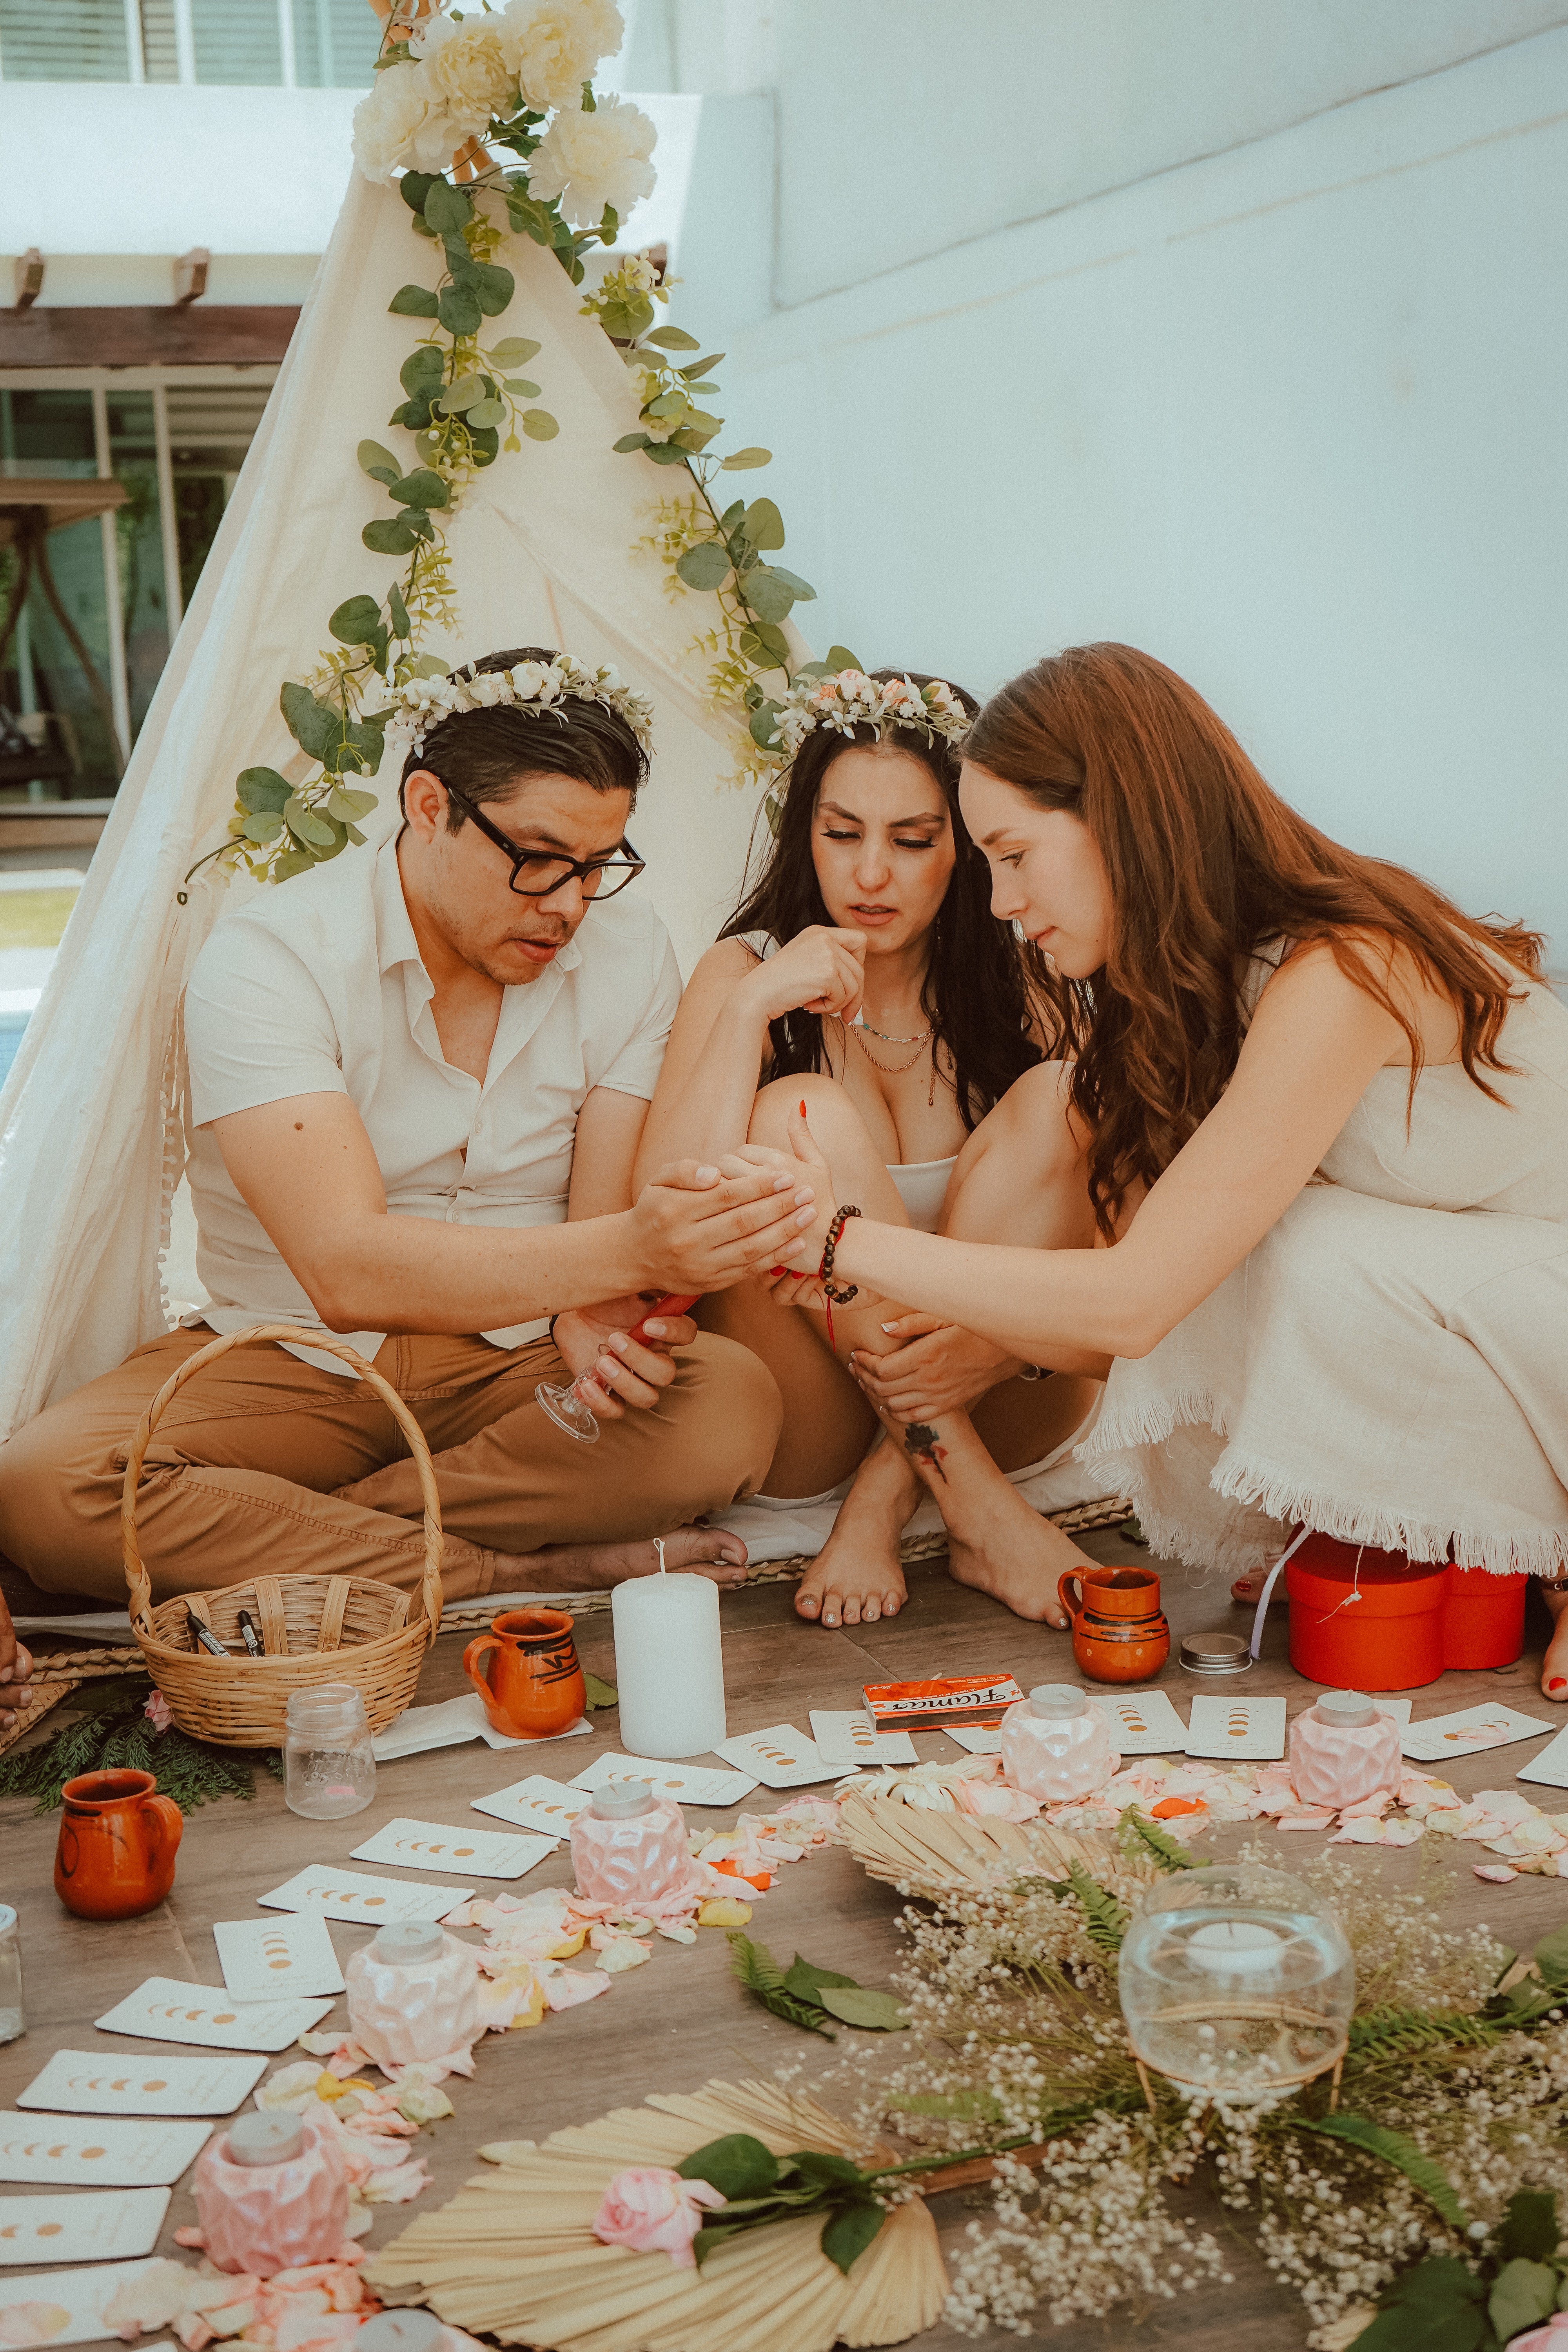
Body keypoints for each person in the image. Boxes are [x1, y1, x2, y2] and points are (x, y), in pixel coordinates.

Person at [754, 642, 1568, 1678]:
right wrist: (991, 1348)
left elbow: (1145, 1303)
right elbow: (1176, 1314)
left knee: (1312, 1244)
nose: (1000, 901)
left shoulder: (1341, 969)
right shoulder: (1198, 987)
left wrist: (836, 1240)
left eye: (1013, 853)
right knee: (1256, 1230)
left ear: (1120, 819)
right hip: (1490, 1309)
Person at [0, 648, 817, 1610]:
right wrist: (632, 1247)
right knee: (48, 1489)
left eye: (599, 868)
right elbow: (344, 1271)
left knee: (727, 1407)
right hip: (296, 1357)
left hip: (517, 1366)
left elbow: (595, 1241)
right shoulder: (272, 959)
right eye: (539, 860)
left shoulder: (627, 949)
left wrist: (593, 1316)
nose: (568, 905)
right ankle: (513, 1570)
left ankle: (299, 1532)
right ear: (428, 807)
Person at [636, 665, 1105, 1630]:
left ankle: (893, 1491)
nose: (870, 875)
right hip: (814, 1408)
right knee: (796, 1112)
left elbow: (1107, 1238)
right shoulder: (741, 972)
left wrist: (981, 1344)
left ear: (966, 848)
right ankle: (973, 1508)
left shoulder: (1027, 982)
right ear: (804, 832)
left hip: (998, 1384)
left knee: (1064, 1095)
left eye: (912, 840)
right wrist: (752, 1012)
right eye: (841, 834)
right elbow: (661, 1220)